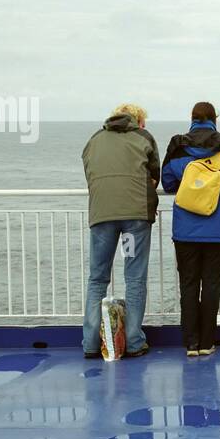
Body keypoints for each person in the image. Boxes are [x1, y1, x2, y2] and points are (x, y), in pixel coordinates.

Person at [161, 101, 220, 357]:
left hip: (186, 231)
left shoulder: (178, 147)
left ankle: (190, 343)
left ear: (192, 118)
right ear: (215, 119)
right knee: (211, 285)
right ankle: (207, 342)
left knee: (189, 284)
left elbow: (167, 183)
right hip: (218, 230)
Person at [81, 103, 159, 358]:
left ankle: (91, 344)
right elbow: (154, 175)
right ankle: (134, 341)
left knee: (97, 278)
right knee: (134, 277)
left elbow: (89, 172)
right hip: (134, 220)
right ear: (139, 121)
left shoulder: (94, 140)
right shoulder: (143, 138)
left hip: (103, 216)